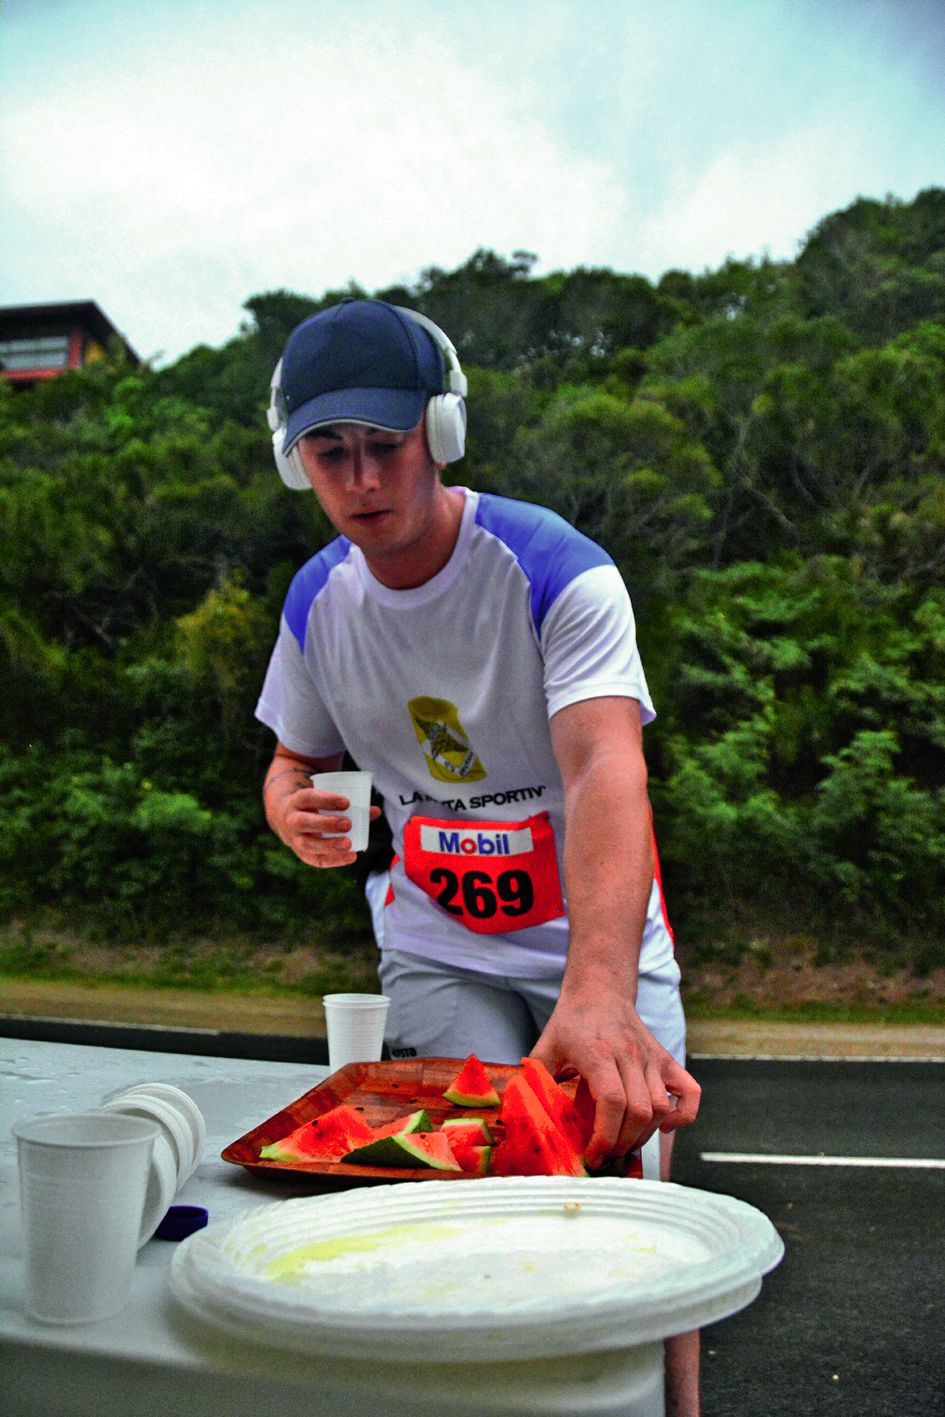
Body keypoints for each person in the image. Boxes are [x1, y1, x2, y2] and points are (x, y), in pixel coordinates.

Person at [256, 299, 701, 1413]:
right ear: (296, 460)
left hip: (591, 944)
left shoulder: (559, 572)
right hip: (441, 941)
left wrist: (600, 994)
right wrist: (289, 806)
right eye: (331, 452)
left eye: (385, 445)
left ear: (439, 433)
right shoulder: (316, 603)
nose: (363, 479)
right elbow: (291, 756)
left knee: (633, 1222)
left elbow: (607, 770)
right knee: (464, 1200)